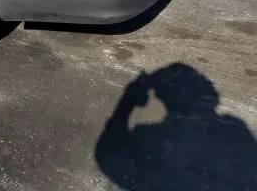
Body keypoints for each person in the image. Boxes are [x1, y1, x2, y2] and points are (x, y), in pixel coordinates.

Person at [96, 63, 257, 191]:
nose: (209, 82)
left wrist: (127, 102)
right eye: (201, 80)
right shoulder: (233, 129)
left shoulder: (148, 140)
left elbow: (106, 155)